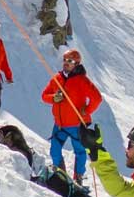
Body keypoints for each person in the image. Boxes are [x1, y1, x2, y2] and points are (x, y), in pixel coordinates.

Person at [42, 47, 104, 182]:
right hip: (59, 125)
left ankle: (79, 177)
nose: (66, 62)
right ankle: (60, 174)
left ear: (76, 63)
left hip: (76, 124)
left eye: (69, 60)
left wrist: (87, 111)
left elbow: (97, 98)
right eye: (64, 60)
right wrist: (54, 98)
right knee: (54, 150)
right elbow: (44, 96)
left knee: (80, 152)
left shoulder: (82, 80)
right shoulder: (57, 78)